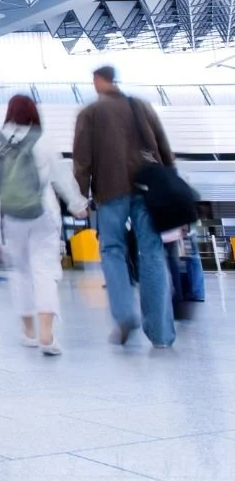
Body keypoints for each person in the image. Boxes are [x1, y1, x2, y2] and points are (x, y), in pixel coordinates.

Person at [72, 65, 177, 348]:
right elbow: (163, 147)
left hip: (110, 191)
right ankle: (161, 334)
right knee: (153, 252)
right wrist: (171, 182)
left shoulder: (90, 113)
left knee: (112, 250)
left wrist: (80, 197)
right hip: (147, 188)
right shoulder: (140, 106)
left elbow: (82, 160)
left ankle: (124, 314)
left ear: (97, 80)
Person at [0, 94, 87, 356]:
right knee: (45, 271)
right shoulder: (43, 140)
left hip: (10, 217)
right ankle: (47, 334)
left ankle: (28, 332)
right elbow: (62, 178)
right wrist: (77, 204)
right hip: (43, 214)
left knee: (20, 272)